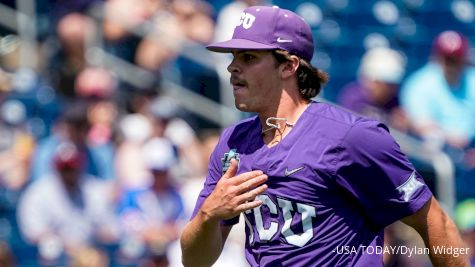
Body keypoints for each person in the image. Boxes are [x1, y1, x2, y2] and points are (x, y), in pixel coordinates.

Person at [180, 6, 469, 267]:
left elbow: (434, 222)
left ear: (289, 65)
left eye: (249, 57)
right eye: (233, 57)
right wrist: (209, 214)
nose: (232, 67)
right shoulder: (233, 144)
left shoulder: (352, 137)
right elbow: (194, 261)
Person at [400, 30, 475, 150]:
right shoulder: (419, 84)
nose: (452, 65)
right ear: (437, 57)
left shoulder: (472, 79)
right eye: (448, 59)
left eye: (456, 59)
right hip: (437, 152)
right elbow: (422, 126)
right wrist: (452, 139)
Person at [337, 47, 410, 132]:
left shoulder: (395, 103)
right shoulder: (353, 98)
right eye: (387, 83)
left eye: (393, 83)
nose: (392, 88)